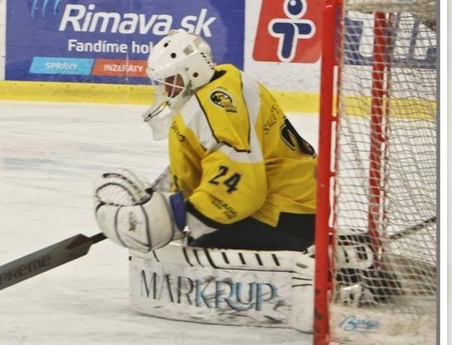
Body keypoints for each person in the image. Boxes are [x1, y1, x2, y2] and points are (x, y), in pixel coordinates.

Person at [94, 29, 318, 253]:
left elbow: (242, 184)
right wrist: (167, 196)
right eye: (162, 83)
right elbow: (215, 159)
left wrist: (177, 214)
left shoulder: (210, 107)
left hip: (282, 215)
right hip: (296, 204)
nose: (166, 90)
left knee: (193, 256)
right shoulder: (226, 83)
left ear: (194, 73)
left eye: (172, 81)